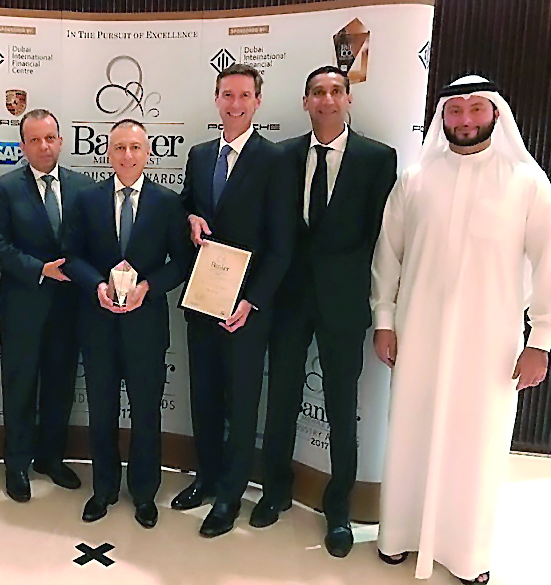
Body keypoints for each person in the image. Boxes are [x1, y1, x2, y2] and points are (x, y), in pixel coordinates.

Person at [372, 75, 551, 584]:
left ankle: (469, 555)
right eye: (455, 111)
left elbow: (549, 264)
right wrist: (384, 320)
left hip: (489, 342)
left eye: (476, 109)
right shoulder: (416, 180)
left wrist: (541, 340)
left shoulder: (527, 183)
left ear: (495, 113)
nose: (465, 120)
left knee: (477, 446)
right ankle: (398, 536)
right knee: (411, 434)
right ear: (442, 118)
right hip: (419, 333)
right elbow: (388, 257)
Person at [254, 66, 397, 556]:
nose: (327, 99)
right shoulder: (284, 156)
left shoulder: (378, 159)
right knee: (281, 401)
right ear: (305, 101)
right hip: (290, 300)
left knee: (341, 409)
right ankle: (275, 492)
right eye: (318, 92)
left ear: (349, 100)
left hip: (343, 304)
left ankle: (339, 511)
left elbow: (383, 242)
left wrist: (383, 311)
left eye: (337, 91)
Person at [173, 63, 298, 537]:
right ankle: (205, 480)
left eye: (245, 95)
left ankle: (229, 497)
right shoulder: (200, 155)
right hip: (202, 299)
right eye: (228, 94)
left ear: (258, 102)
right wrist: (189, 219)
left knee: (242, 403)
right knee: (203, 398)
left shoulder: (275, 159)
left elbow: (283, 245)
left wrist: (253, 303)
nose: (236, 103)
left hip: (246, 310)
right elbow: (187, 202)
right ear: (217, 98)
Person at [63, 119, 192, 528]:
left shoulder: (168, 202)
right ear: (108, 152)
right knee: (101, 410)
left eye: (135, 147)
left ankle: (144, 493)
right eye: (119, 147)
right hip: (97, 324)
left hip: (146, 327)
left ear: (148, 152)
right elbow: (72, 255)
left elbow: (183, 262)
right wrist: (96, 285)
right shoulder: (85, 200)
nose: (128, 156)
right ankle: (103, 490)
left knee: (145, 414)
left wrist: (150, 287)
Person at [0, 108, 93, 502]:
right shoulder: (4, 188)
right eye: (35, 140)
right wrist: (40, 269)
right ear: (23, 145)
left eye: (50, 138)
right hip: (24, 307)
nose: (44, 146)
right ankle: (16, 465)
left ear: (61, 140)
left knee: (61, 385)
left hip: (69, 308)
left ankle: (51, 458)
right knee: (20, 387)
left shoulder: (84, 188)